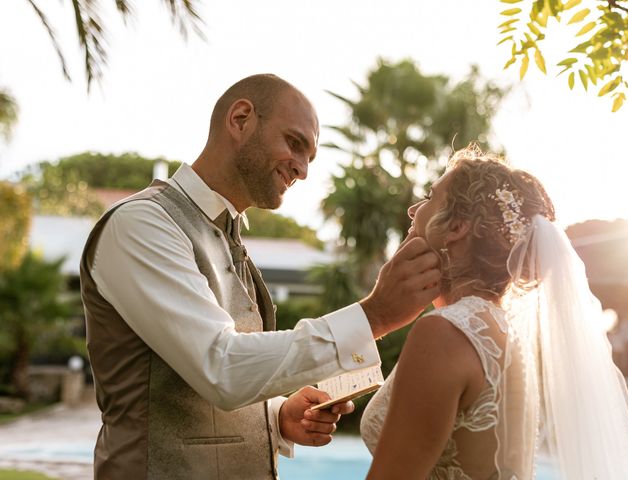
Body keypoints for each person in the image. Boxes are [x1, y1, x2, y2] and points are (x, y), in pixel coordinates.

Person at [79, 74, 441, 479]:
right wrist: (374, 316)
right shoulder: (142, 224)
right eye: (295, 143)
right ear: (240, 119)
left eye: (309, 156)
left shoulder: (228, 237)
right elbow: (221, 367)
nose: (302, 170)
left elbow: (201, 379)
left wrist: (278, 416)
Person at [360, 145, 628, 479]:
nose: (412, 209)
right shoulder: (507, 335)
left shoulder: (446, 332)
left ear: (457, 227)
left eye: (429, 197)